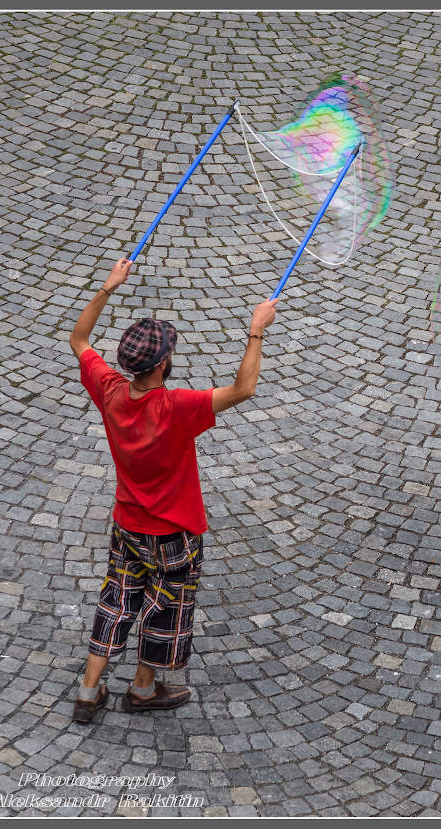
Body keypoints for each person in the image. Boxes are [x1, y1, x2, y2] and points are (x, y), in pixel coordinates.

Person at [68, 256, 278, 723]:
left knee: (118, 598)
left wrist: (108, 286)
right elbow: (244, 388)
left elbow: (79, 339)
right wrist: (256, 331)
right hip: (173, 533)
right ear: (163, 363)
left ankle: (88, 691)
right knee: (164, 607)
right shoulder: (177, 408)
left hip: (127, 525)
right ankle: (143, 690)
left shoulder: (109, 390)